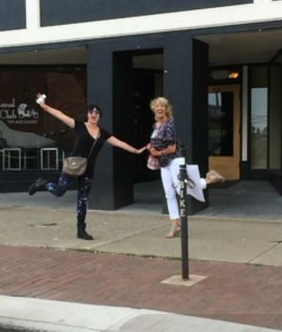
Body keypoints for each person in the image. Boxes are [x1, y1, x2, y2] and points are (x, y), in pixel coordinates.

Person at [28, 94, 146, 240]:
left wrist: (136, 151)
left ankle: (81, 230)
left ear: (100, 116)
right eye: (91, 112)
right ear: (88, 114)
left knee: (82, 200)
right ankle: (42, 184)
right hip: (73, 166)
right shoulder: (79, 126)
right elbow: (60, 115)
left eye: (97, 112)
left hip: (88, 171)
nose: (94, 114)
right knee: (59, 191)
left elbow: (119, 143)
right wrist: (44, 106)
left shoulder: (103, 134)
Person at [147, 96, 224, 238]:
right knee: (169, 193)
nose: (159, 108)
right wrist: (151, 147)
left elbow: (172, 148)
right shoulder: (155, 126)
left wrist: (158, 152)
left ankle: (208, 180)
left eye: (162, 106)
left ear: (166, 109)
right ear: (153, 109)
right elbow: (157, 142)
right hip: (164, 163)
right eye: (157, 106)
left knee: (181, 189)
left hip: (174, 160)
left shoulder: (169, 125)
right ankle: (175, 224)